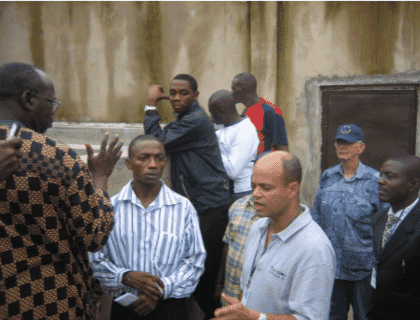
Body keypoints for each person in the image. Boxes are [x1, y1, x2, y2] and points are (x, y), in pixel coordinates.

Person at [0, 62, 122, 319]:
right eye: (52, 103)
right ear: (29, 99)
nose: (53, 115)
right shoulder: (56, 158)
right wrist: (100, 177)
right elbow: (94, 234)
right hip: (50, 302)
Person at [90, 135, 206, 320]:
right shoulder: (111, 208)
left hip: (171, 308)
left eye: (159, 158)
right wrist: (125, 277)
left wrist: (160, 290)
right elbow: (96, 259)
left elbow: (195, 261)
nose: (152, 164)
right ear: (129, 164)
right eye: (143, 158)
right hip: (126, 308)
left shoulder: (183, 208)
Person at [143, 74, 231, 319]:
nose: (176, 98)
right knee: (194, 276)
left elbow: (154, 142)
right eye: (173, 93)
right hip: (198, 206)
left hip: (209, 207)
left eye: (183, 93)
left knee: (204, 280)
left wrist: (151, 106)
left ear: (195, 96)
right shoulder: (184, 119)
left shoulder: (195, 121)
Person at [213, 151, 336, 320]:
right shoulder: (258, 228)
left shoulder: (314, 249)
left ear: (292, 189)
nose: (255, 194)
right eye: (254, 185)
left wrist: (253, 317)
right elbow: (247, 288)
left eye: (266, 188)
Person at [311, 124, 387, 320]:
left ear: (360, 148)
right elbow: (316, 217)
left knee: (364, 316)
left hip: (363, 269)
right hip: (331, 266)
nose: (342, 146)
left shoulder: (375, 181)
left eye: (348, 143)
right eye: (339, 142)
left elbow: (386, 225)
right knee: (332, 316)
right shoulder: (327, 177)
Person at [367, 155, 420, 320]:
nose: (380, 181)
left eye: (390, 177)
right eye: (381, 175)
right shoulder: (379, 219)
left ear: (413, 184)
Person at [208, 90, 259, 202]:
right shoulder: (225, 128)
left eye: (213, 113)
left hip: (242, 193)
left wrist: (212, 145)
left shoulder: (245, 131)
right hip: (228, 192)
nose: (211, 117)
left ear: (222, 111)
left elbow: (233, 171)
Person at [231, 72, 288, 155]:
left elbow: (282, 149)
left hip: (265, 165)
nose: (231, 92)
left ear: (242, 90)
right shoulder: (245, 112)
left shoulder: (271, 111)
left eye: (233, 88)